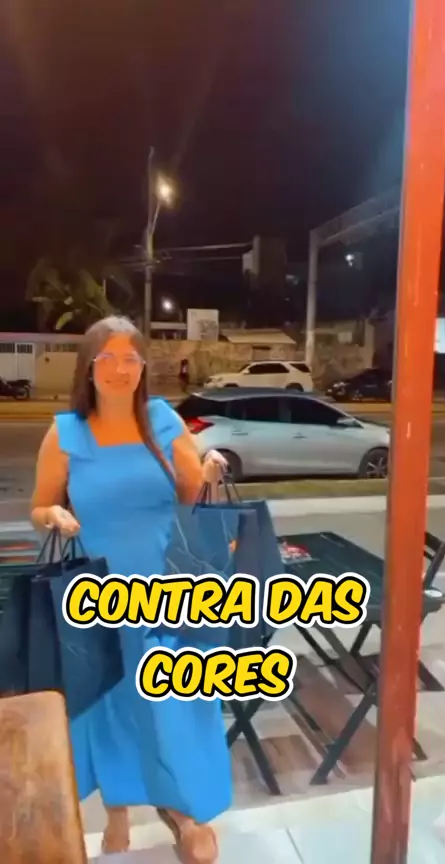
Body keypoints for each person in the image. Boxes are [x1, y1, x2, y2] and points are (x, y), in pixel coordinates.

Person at [30, 316, 230, 863]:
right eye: (108, 358)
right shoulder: (65, 433)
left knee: (175, 706)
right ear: (88, 368)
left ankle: (186, 813)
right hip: (98, 594)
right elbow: (40, 506)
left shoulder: (163, 421)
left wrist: (208, 471)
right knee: (111, 705)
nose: (120, 369)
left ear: (143, 368)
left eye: (131, 359)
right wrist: (54, 516)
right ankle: (117, 810)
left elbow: (191, 497)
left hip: (168, 590)